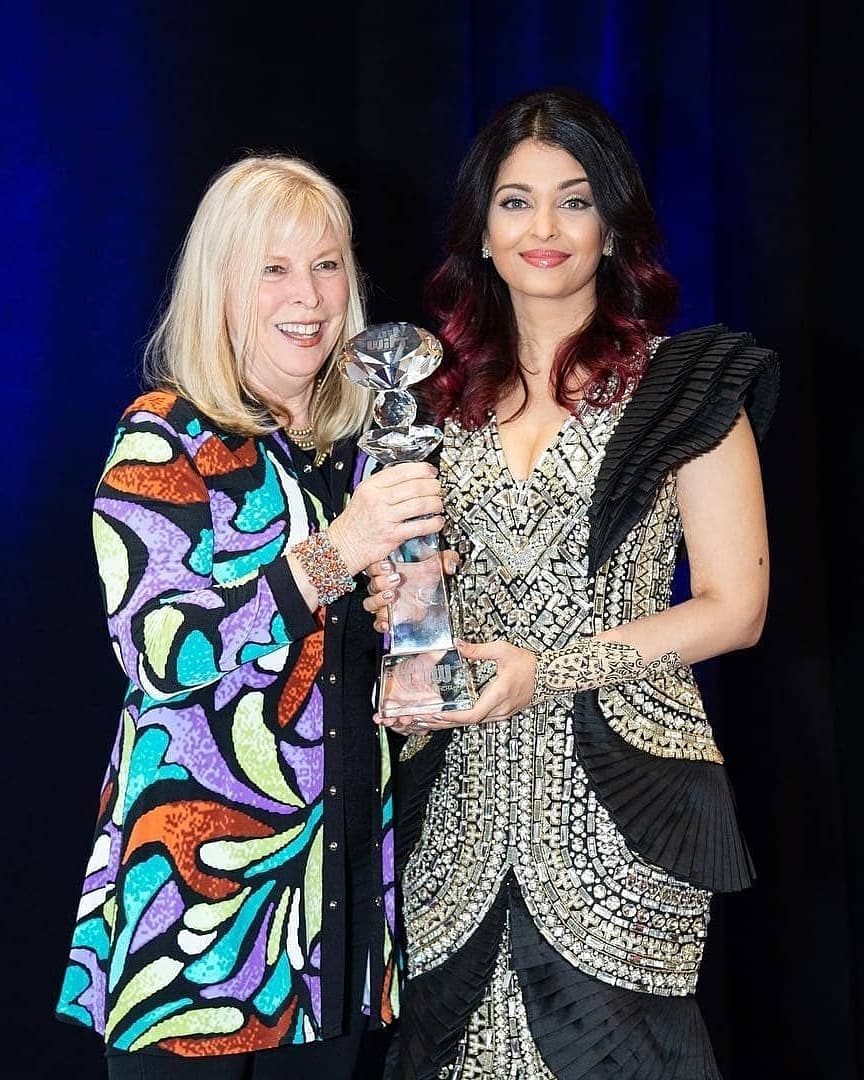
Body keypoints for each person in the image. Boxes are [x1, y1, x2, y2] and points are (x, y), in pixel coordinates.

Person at [365, 87, 779, 1079]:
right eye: (516, 202)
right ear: (482, 229)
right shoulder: (426, 399)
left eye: (574, 200)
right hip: (455, 800)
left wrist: (543, 672)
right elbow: (406, 588)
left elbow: (737, 607)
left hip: (618, 802)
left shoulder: (686, 386)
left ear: (613, 226)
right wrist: (396, 606)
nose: (543, 228)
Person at [55, 154, 445, 1079]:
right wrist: (339, 552)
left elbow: (358, 680)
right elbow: (162, 649)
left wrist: (412, 622)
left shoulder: (363, 449)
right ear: (221, 284)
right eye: (273, 268)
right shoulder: (164, 435)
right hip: (195, 922)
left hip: (333, 913)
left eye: (326, 265)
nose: (307, 296)